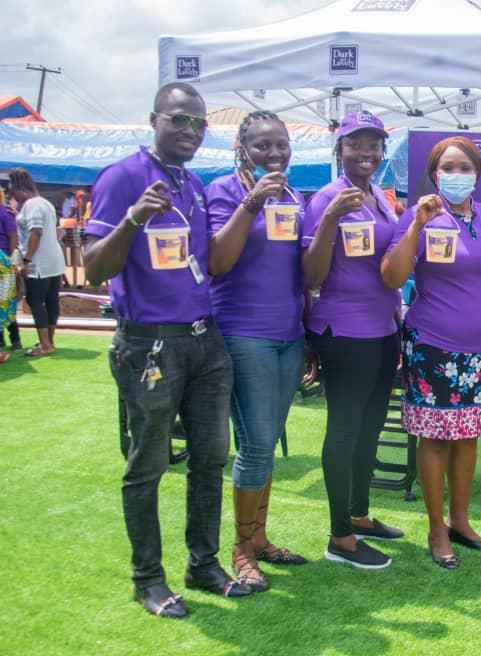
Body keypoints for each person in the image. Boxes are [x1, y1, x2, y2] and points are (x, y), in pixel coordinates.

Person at [85, 83, 250, 619]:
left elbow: (208, 261)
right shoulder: (123, 177)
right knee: (149, 464)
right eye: (180, 120)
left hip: (205, 342)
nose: (190, 132)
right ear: (154, 119)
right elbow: (93, 268)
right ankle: (147, 578)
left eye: (199, 124)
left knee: (209, 459)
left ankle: (202, 563)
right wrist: (132, 219)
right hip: (149, 346)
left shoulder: (193, 184)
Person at [382, 135, 481, 570]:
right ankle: (437, 527)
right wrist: (417, 226)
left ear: (478, 174)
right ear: (435, 173)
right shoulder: (420, 215)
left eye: (465, 167)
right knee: (436, 437)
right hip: (433, 347)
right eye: (448, 167)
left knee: (468, 436)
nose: (457, 175)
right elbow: (392, 276)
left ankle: (461, 521)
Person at [205, 110, 308, 592]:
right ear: (241, 148)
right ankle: (241, 549)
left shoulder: (292, 195)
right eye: (263, 145)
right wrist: (250, 203)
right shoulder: (224, 191)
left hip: (290, 334)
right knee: (257, 443)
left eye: (281, 144)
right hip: (244, 334)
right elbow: (217, 262)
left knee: (266, 442)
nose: (274, 153)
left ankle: (261, 538)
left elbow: (300, 271)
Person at [302, 110, 404, 570]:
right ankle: (339, 536)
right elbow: (311, 274)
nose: (366, 153)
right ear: (339, 150)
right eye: (355, 144)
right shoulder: (327, 197)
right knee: (344, 430)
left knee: (371, 426)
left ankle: (359, 514)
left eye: (373, 145)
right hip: (344, 330)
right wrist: (328, 220)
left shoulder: (379, 197)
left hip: (383, 329)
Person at [9, 168, 65, 357]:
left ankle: (45, 345)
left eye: (12, 191)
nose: (11, 196)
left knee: (35, 301)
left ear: (19, 188)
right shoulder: (45, 203)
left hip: (38, 262)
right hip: (55, 260)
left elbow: (36, 232)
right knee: (51, 301)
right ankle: (49, 340)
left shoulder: (31, 205)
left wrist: (26, 260)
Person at [0, 189, 22, 351]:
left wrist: (12, 260)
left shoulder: (5, 213)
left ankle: (15, 339)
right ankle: (1, 340)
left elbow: (13, 236)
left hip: (4, 263)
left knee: (6, 301)